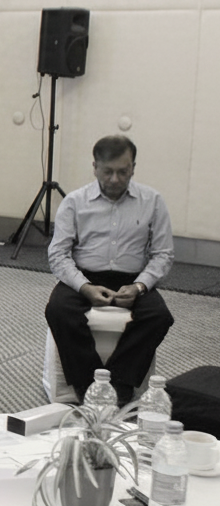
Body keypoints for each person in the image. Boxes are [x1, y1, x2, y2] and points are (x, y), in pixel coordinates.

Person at [45, 135, 175, 405]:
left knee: (159, 316)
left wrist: (140, 286)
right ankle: (87, 384)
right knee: (58, 310)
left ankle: (119, 383)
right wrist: (84, 287)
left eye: (123, 172)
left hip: (133, 279)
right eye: (108, 172)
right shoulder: (75, 202)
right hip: (84, 276)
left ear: (133, 168)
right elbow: (58, 254)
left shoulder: (153, 201)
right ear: (95, 167)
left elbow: (163, 254)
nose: (115, 179)